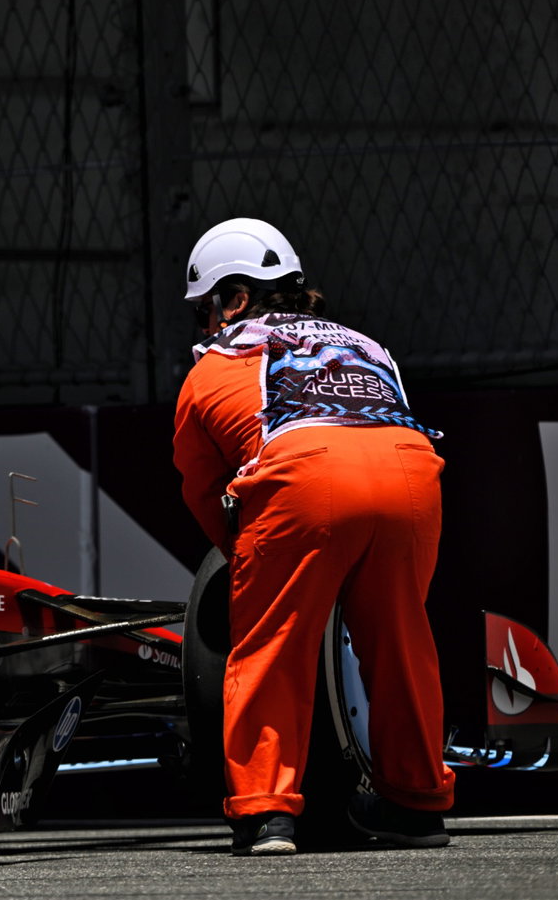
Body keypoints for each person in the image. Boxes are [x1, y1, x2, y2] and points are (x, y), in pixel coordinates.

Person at [171, 217, 455, 856]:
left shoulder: (216, 362)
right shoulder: (368, 344)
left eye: (204, 308)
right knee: (401, 640)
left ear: (236, 299)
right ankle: (416, 805)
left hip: (304, 475)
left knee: (270, 643)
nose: (203, 324)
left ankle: (266, 813)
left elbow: (198, 483)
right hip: (412, 474)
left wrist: (247, 557)